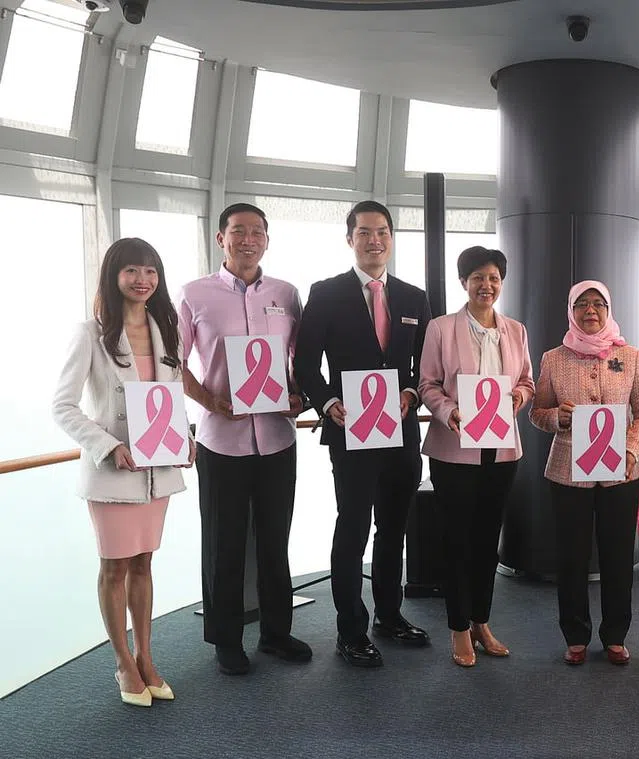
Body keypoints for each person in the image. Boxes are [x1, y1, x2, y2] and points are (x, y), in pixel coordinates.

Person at [52, 238, 194, 706]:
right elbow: (63, 406)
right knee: (114, 566)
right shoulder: (89, 334)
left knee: (144, 562)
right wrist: (107, 445)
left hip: (157, 469)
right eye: (131, 270)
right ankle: (122, 663)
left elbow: (169, 397)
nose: (142, 280)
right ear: (113, 276)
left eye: (150, 271)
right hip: (113, 472)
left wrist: (185, 437)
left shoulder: (167, 330)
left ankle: (146, 656)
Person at [294, 201, 432, 668]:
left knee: (393, 529)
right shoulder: (326, 293)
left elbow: (424, 364)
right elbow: (305, 363)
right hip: (349, 430)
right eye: (365, 232)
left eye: (383, 232)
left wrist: (411, 393)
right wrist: (328, 402)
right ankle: (350, 630)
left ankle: (389, 616)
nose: (375, 240)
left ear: (392, 238)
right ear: (350, 238)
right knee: (352, 529)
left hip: (400, 431)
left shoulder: (414, 297)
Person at [179, 203, 311, 675]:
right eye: (239, 231)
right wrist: (209, 401)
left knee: (275, 541)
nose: (248, 239)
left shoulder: (286, 293)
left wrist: (299, 395)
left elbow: (300, 358)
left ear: (267, 240)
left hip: (277, 438)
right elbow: (174, 362)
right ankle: (226, 640)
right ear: (222, 238)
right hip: (221, 442)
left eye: (257, 232)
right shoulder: (194, 294)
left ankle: (276, 633)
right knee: (224, 544)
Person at [530, 281, 639, 666]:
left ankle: (615, 636)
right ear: (571, 311)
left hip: (622, 473)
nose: (590, 311)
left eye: (598, 304)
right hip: (568, 473)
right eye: (581, 304)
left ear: (608, 309)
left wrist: (632, 450)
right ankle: (575, 636)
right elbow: (537, 413)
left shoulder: (630, 356)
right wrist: (558, 417)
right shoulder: (553, 358)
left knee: (618, 557)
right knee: (571, 558)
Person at [419, 246, 534, 667]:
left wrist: (518, 396)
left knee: (488, 540)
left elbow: (527, 380)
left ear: (501, 283)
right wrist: (449, 412)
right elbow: (427, 384)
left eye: (494, 278)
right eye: (478, 278)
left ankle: (482, 621)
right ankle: (458, 627)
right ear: (464, 282)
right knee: (457, 540)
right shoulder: (440, 328)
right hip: (454, 449)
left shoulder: (515, 330)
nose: (486, 285)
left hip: (501, 450)